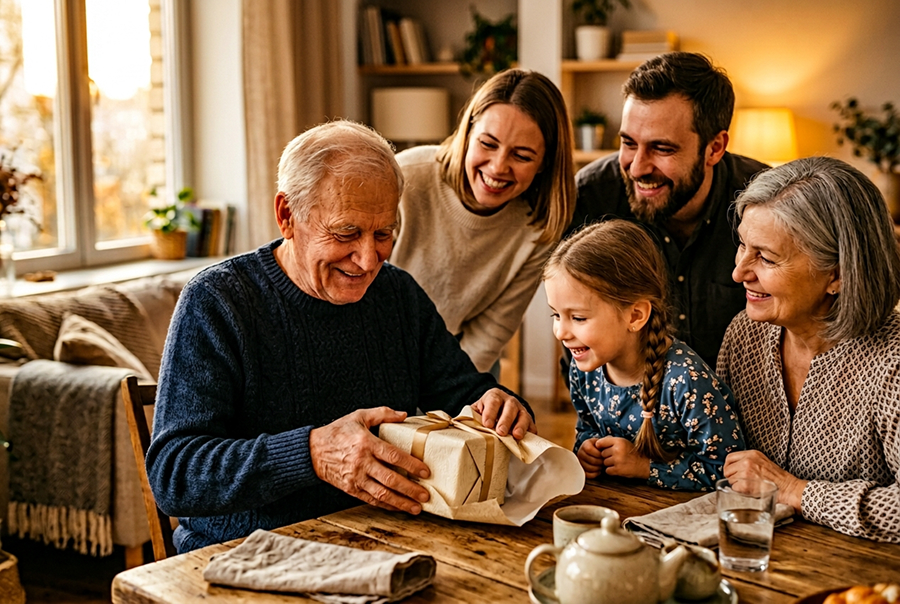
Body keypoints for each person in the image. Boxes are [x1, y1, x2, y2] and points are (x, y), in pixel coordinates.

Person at [146, 120, 536, 554]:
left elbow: (465, 393)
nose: (368, 260)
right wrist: (312, 453)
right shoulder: (217, 301)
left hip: (383, 542)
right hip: (246, 553)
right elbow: (174, 475)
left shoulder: (397, 294)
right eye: (346, 233)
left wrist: (499, 404)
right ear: (287, 216)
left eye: (383, 233)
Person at [718, 156, 900, 543]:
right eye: (743, 246)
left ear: (838, 274)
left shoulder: (893, 362)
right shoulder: (745, 334)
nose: (739, 272)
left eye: (766, 257)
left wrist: (794, 491)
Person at [570, 52, 769, 367]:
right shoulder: (591, 197)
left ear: (715, 148)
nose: (637, 168)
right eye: (628, 143)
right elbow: (575, 328)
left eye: (662, 148)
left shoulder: (768, 204)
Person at [389, 68, 575, 375]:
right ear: (468, 134)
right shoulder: (405, 178)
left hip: (460, 357)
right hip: (380, 343)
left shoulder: (540, 224)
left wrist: (450, 388)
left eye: (522, 156)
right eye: (488, 144)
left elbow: (493, 329)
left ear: (545, 163)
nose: (498, 167)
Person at [543, 219, 745, 491]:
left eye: (578, 318)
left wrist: (645, 467)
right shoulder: (583, 370)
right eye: (556, 315)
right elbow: (587, 427)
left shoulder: (687, 383)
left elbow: (726, 470)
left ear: (635, 315)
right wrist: (587, 449)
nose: (560, 332)